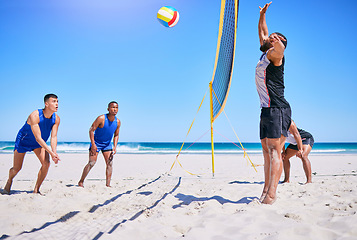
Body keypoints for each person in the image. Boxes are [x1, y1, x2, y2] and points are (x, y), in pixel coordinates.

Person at [255, 2, 291, 204]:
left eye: (274, 37)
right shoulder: (265, 52)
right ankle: (265, 189)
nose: (269, 37)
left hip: (278, 108)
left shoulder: (276, 56)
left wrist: (277, 40)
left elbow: (281, 48)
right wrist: (262, 15)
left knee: (274, 152)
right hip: (266, 109)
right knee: (266, 154)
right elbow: (262, 32)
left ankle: (272, 194)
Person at [4, 94, 60, 194]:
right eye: (54, 101)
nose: (57, 104)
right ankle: (9, 181)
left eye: (57, 101)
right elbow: (38, 138)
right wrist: (51, 153)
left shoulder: (56, 119)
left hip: (38, 144)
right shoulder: (35, 115)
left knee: (46, 163)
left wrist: (54, 153)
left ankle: (36, 190)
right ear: (46, 104)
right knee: (17, 168)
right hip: (24, 141)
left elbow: (53, 137)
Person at [78, 101, 121, 187]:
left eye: (116, 108)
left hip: (107, 145)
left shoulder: (118, 122)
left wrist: (115, 147)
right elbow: (91, 130)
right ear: (108, 109)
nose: (115, 109)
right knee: (92, 163)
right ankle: (81, 181)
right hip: (96, 143)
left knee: (110, 163)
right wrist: (93, 145)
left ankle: (108, 184)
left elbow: (116, 135)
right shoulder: (101, 118)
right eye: (113, 107)